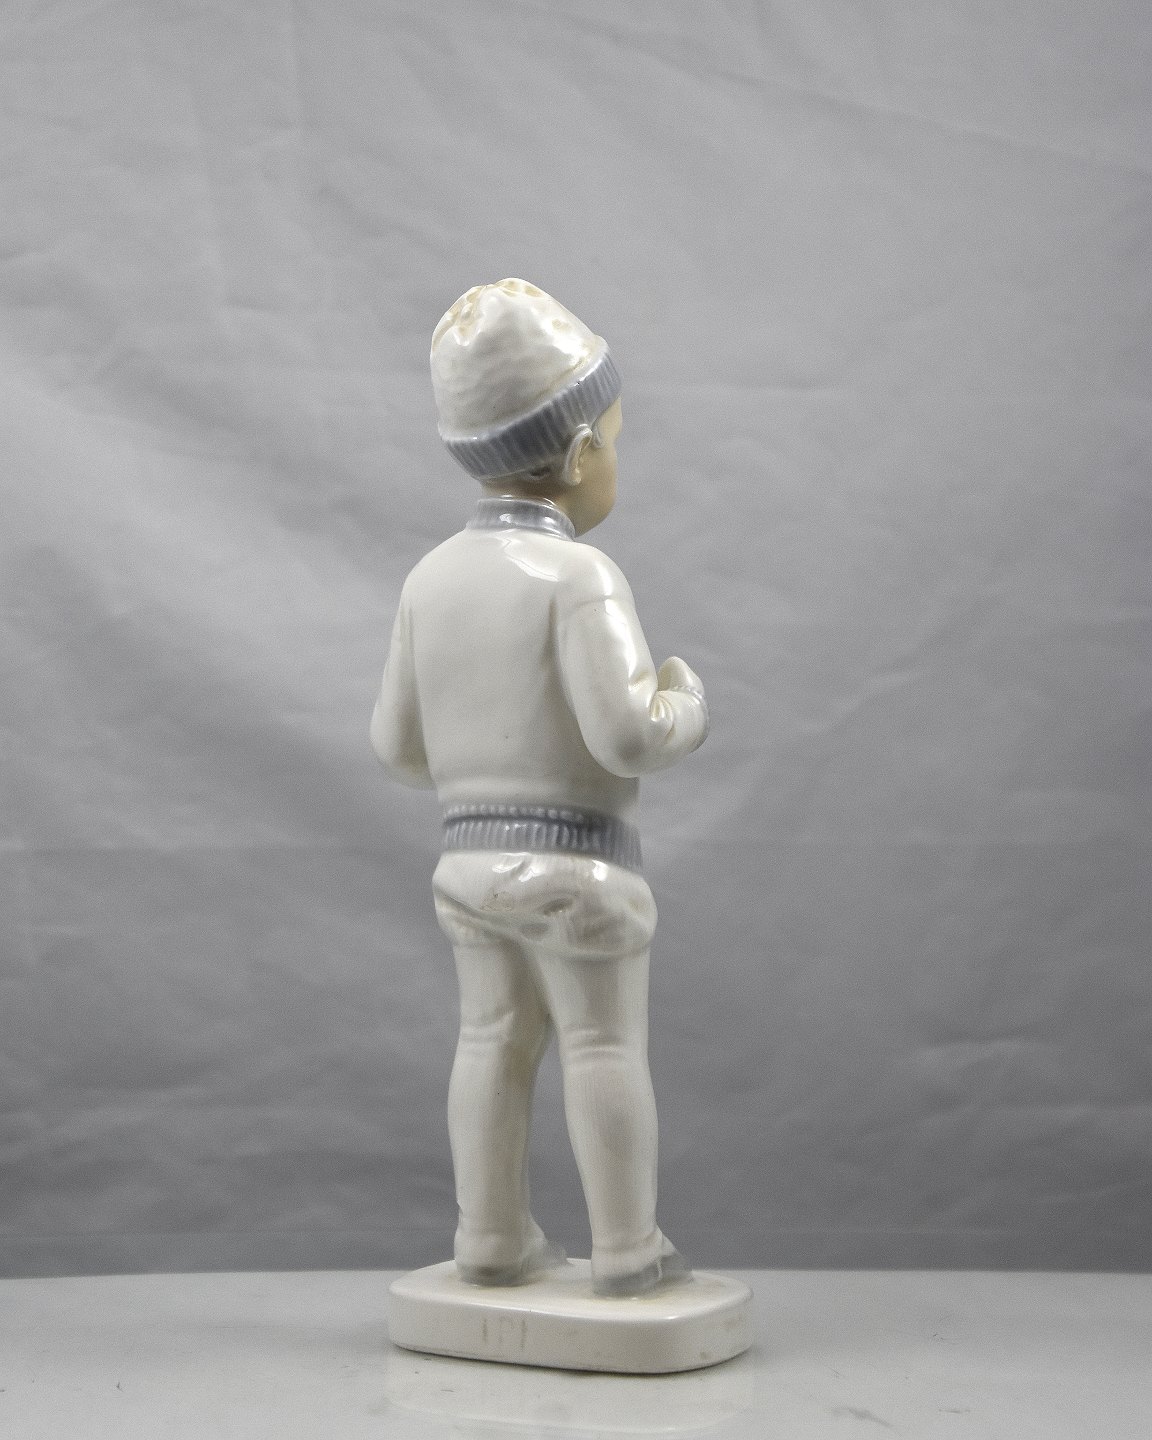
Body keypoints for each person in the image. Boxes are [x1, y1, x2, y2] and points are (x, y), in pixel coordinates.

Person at [371, 279, 709, 1296]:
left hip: (468, 868)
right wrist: (685, 701)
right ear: (577, 455)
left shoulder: (429, 579)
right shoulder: (580, 579)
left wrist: (474, 761)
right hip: (578, 871)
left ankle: (488, 1237)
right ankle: (627, 1250)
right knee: (601, 1044)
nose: (617, 460)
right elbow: (628, 735)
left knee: (490, 1039)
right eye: (615, 441)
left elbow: (396, 747)